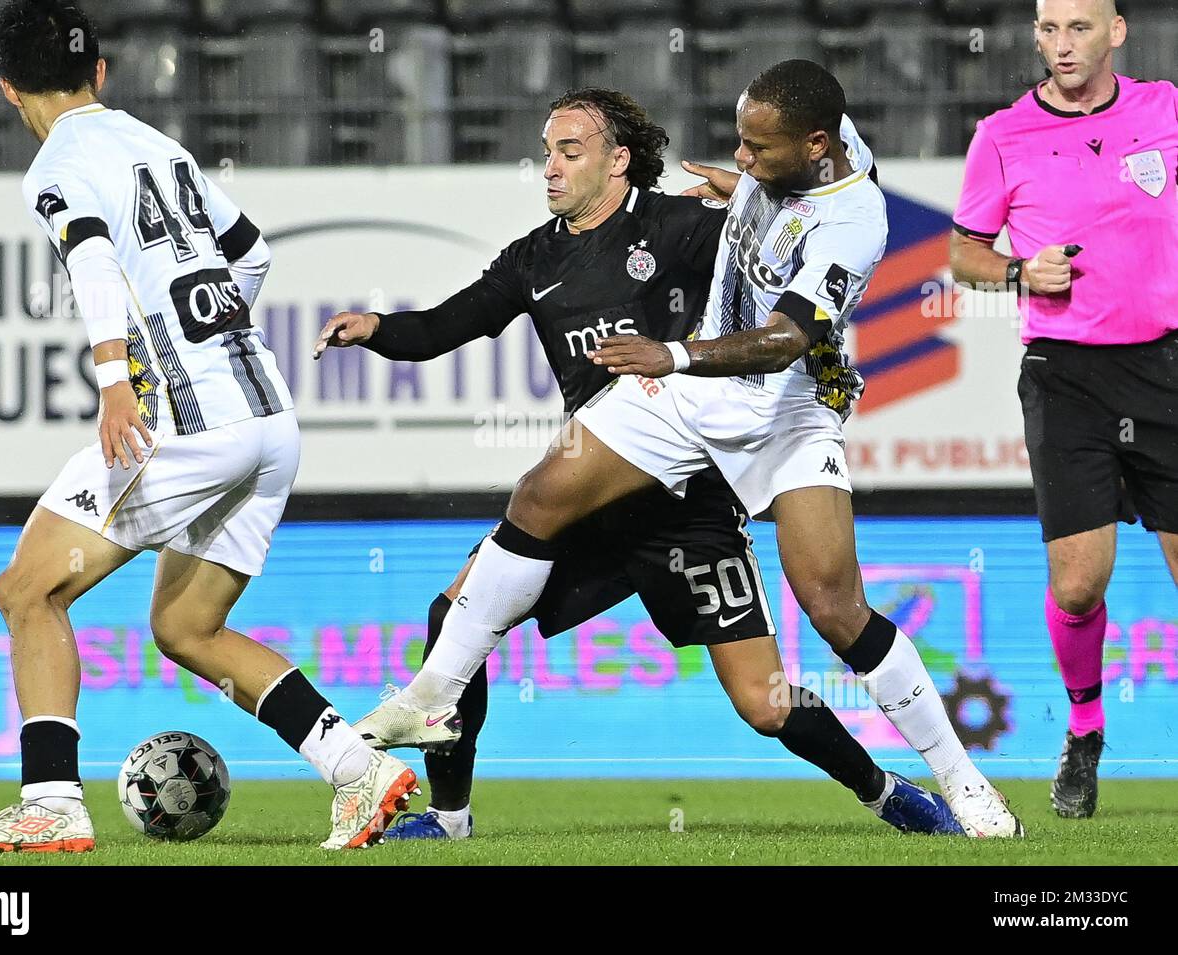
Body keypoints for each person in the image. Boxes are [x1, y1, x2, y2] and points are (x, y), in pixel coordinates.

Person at [352, 60, 1025, 838]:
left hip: (786, 410)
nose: (741, 159)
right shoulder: (554, 249)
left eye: (757, 151)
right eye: (740, 142)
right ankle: (434, 716)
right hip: (694, 398)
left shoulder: (854, 220)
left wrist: (670, 354)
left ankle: (957, 781)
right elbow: (445, 325)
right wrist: (745, 194)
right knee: (538, 494)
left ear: (815, 146)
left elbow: (783, 341)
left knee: (826, 619)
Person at [0, 0, 414, 854]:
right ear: (103, 74)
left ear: (7, 88)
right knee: (186, 628)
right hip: (265, 416)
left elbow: (87, 257)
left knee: (27, 591)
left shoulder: (57, 163)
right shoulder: (162, 149)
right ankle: (359, 769)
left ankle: (50, 801)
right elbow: (254, 250)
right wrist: (212, 349)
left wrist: (119, 380)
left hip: (181, 427)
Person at [950, 0, 1178, 819]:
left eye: (1079, 27)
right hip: (1065, 374)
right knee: (1080, 587)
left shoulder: (1165, 108)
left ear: (1116, 32)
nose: (1061, 44)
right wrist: (1016, 271)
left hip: (1166, 368)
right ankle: (1084, 732)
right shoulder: (1002, 135)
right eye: (1048, 29)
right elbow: (962, 253)